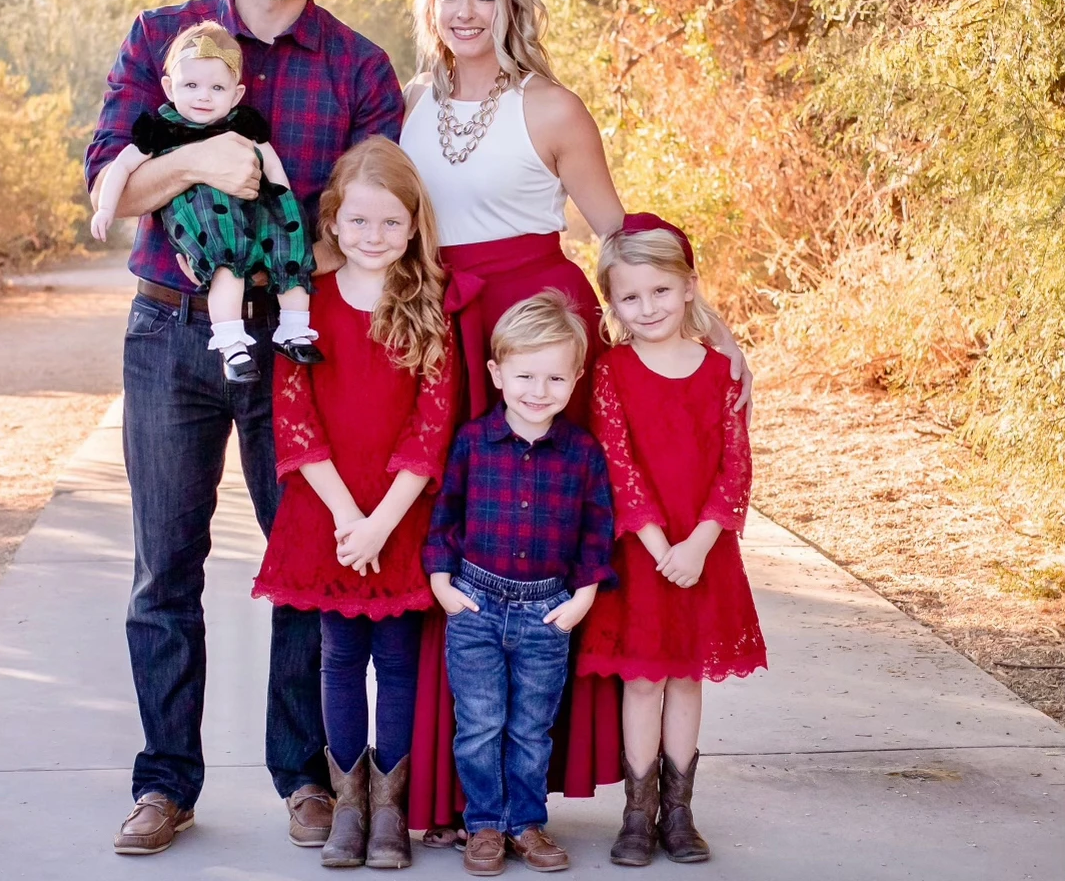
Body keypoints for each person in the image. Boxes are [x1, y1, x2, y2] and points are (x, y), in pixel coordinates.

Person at [398, 0, 752, 842]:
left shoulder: (551, 108)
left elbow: (617, 235)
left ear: (513, 2)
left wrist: (709, 322)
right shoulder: (407, 105)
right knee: (460, 529)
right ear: (429, 3)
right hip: (451, 330)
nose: (465, 12)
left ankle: (567, 787)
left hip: (543, 329)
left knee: (552, 528)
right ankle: (451, 793)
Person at [84, 0, 403, 856]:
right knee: (163, 570)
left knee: (301, 562)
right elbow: (109, 192)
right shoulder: (160, 37)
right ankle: (164, 783)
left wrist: (279, 255)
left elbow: (368, 223)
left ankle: (304, 777)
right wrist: (199, 159)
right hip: (167, 329)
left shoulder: (357, 67)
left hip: (295, 343)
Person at [252, 137, 458, 869]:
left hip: (400, 514)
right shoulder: (305, 305)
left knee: (398, 661)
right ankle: (347, 806)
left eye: (391, 223)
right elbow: (294, 416)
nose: (375, 236)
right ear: (333, 221)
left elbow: (432, 423)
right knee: (338, 658)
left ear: (413, 225)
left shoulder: (427, 305)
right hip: (330, 515)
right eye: (360, 221)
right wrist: (348, 520)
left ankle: (389, 810)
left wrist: (381, 524)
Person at [577, 214, 767, 866]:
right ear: (612, 303)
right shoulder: (612, 371)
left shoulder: (721, 371)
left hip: (702, 554)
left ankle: (679, 815)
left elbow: (735, 468)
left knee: (685, 678)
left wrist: (698, 545)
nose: (647, 306)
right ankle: (637, 814)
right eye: (629, 296)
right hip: (642, 553)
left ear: (688, 287)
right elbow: (617, 463)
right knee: (641, 682)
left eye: (660, 290)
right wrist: (661, 549)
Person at [425, 291, 616, 876]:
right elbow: (445, 514)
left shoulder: (582, 453)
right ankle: (484, 824)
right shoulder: (472, 442)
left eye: (555, 378)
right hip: (475, 604)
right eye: (525, 375)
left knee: (532, 728)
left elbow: (597, 529)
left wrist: (582, 597)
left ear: (576, 379)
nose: (539, 390)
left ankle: (526, 823)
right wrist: (442, 583)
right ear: (496, 374)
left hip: (547, 611)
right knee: (480, 724)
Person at [91, 20, 321, 381]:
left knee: (288, 245)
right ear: (169, 87)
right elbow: (121, 166)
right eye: (191, 86)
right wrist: (106, 207)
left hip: (254, 211)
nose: (203, 97)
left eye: (217, 88)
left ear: (236, 94)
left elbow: (270, 161)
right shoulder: (163, 128)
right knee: (226, 264)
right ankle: (232, 343)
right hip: (204, 222)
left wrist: (284, 199)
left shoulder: (242, 123)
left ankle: (293, 328)